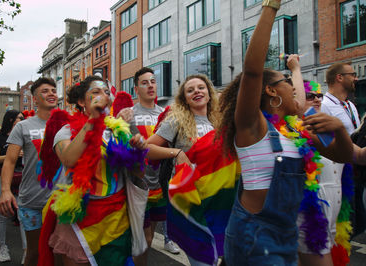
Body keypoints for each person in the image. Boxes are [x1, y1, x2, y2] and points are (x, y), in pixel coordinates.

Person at [218, 1, 354, 265]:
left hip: (288, 234)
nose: (295, 88)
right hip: (255, 236)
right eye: (287, 82)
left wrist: (339, 130)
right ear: (270, 91)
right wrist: (271, 7)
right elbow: (253, 70)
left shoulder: (298, 131)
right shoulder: (252, 126)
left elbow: (344, 155)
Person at [44, 75, 147, 266]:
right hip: (80, 218)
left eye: (107, 92)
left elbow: (138, 174)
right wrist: (93, 120)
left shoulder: (118, 130)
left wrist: (139, 153)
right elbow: (68, 159)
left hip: (116, 217)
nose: (103, 96)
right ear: (82, 101)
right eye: (96, 92)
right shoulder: (66, 131)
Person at [146, 74, 219, 264]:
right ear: (185, 98)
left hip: (218, 199)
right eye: (190, 90)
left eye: (201, 88)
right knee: (201, 259)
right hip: (190, 199)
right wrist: (176, 152)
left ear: (209, 93)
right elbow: (146, 149)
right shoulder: (176, 120)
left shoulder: (221, 121)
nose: (197, 91)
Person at [0, 77, 60, 266]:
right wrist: (6, 190)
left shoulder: (67, 124)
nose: (51, 93)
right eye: (45, 91)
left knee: (59, 252)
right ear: (34, 98)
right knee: (34, 252)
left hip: (62, 201)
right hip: (32, 201)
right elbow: (9, 161)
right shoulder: (23, 126)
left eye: (53, 90)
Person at [128, 67, 179, 265]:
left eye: (153, 81)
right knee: (143, 240)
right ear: (136, 89)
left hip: (159, 185)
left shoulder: (168, 114)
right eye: (144, 82)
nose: (150, 85)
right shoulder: (128, 114)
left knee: (146, 241)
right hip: (136, 184)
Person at [0, 110, 27, 263]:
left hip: (22, 177)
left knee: (23, 215)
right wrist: (12, 154)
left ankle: (27, 250)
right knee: (3, 215)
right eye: (20, 118)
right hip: (5, 178)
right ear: (11, 120)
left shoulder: (25, 136)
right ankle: (2, 247)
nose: (23, 120)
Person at [322, 62, 360, 134]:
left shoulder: (350, 105)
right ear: (340, 77)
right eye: (353, 75)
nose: (356, 79)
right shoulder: (324, 106)